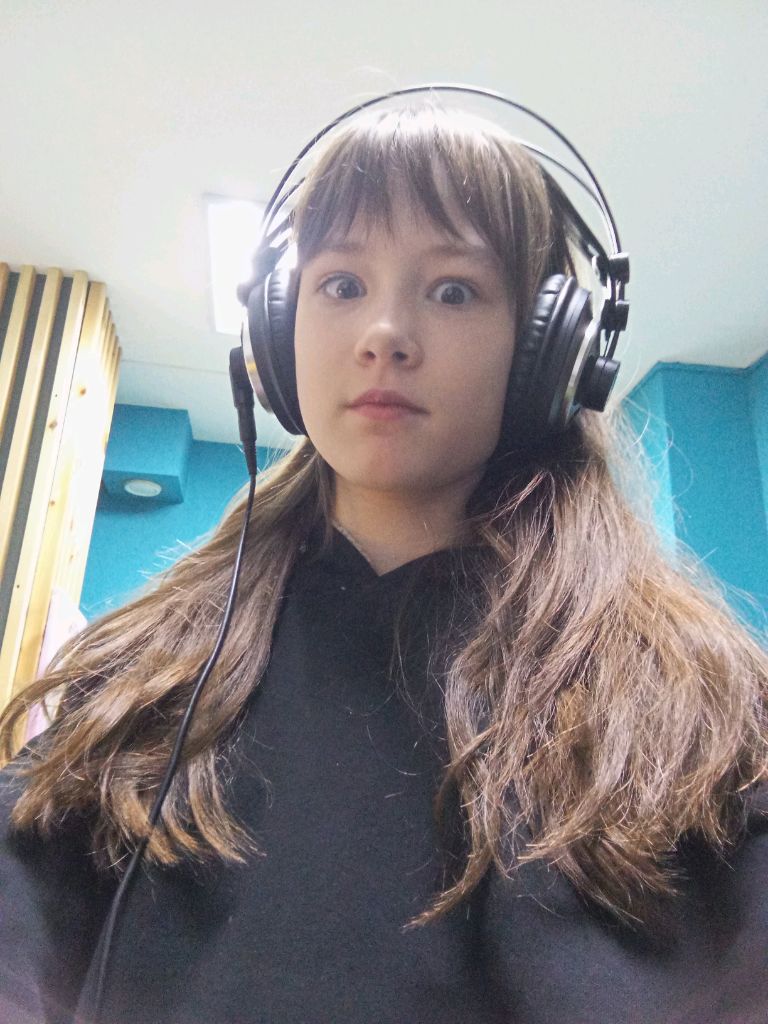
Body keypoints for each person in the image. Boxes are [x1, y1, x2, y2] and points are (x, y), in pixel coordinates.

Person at [1, 99, 767, 1024]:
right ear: (276, 332)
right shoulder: (140, 679)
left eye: (454, 291)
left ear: (548, 348)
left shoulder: (698, 709)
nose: (384, 332)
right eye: (340, 284)